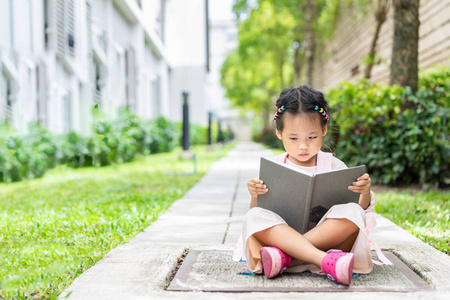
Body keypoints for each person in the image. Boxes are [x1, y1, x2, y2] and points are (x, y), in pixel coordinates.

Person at [233, 85, 375, 285]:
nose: (303, 146)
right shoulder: (273, 166)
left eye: (312, 137)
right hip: (313, 248)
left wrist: (365, 191)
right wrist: (255, 195)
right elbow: (260, 212)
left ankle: (287, 258)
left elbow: (361, 208)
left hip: (325, 242)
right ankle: (323, 261)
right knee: (253, 217)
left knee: (354, 212)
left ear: (324, 130)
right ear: (279, 133)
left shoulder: (335, 165)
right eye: (293, 138)